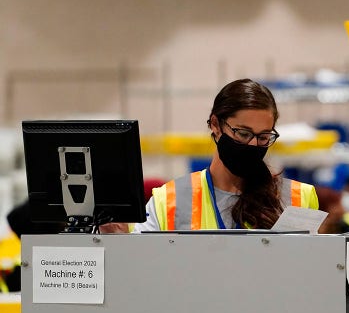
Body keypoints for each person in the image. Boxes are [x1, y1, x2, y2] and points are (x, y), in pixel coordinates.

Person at [134, 78, 319, 232]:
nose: (253, 145)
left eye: (263, 137)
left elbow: (306, 270)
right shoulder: (168, 201)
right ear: (216, 125)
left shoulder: (298, 198)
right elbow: (140, 263)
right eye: (243, 134)